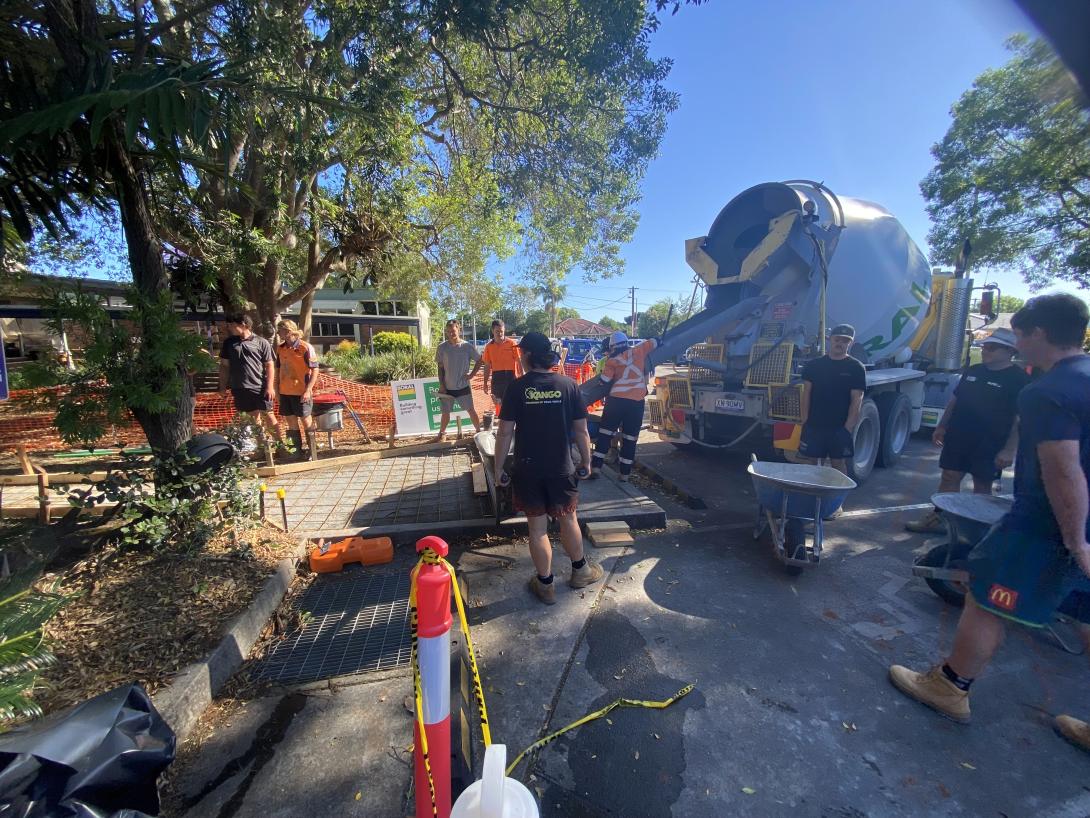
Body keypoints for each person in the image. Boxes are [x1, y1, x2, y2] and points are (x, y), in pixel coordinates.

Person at [888, 294, 1090, 753]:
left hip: (1046, 528)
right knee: (1085, 616)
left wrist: (1076, 541)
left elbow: (1062, 471)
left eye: (1019, 334)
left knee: (984, 601)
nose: (1016, 344)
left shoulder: (1046, 390)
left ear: (1039, 333)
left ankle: (950, 688)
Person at [494, 332, 602, 604]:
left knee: (537, 529)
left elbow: (504, 433)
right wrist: (586, 461)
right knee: (568, 519)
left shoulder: (517, 388)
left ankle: (545, 585)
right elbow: (581, 431)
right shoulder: (568, 385)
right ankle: (581, 571)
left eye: (521, 352)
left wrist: (498, 469)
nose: (519, 356)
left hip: (528, 469)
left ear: (527, 355)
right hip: (561, 467)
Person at [906, 327, 1029, 533]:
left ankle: (977, 529)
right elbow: (955, 400)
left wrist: (1009, 450)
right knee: (949, 477)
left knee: (982, 485)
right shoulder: (974, 371)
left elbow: (1019, 419)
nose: (985, 350)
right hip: (959, 436)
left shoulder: (1019, 380)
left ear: (1009, 351)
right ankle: (940, 520)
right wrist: (942, 425)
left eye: (992, 348)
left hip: (990, 442)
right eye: (985, 346)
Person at [797, 324, 866, 474]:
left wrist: (847, 428)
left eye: (845, 341)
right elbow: (806, 394)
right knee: (810, 462)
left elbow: (857, 399)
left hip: (839, 427)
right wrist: (805, 422)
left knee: (838, 464)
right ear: (830, 340)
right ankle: (811, 494)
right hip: (814, 425)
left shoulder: (856, 368)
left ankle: (838, 496)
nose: (840, 343)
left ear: (851, 343)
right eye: (837, 339)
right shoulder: (814, 366)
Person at [590, 331, 658, 481]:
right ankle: (624, 475)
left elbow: (605, 380)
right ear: (626, 342)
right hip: (636, 402)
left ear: (612, 347)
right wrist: (657, 338)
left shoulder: (611, 360)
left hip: (616, 401)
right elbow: (654, 341)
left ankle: (596, 468)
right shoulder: (639, 350)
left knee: (605, 434)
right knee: (630, 438)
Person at [218, 313, 282, 447]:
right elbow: (224, 366)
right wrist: (222, 386)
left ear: (244, 325)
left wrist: (270, 387)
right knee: (253, 419)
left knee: (268, 415)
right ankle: (262, 448)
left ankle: (280, 445)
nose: (230, 327)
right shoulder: (229, 343)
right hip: (239, 387)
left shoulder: (261, 342)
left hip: (260, 386)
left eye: (232, 325)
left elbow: (270, 365)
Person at [275, 319, 319, 460]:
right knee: (291, 421)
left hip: (301, 391)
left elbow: (315, 370)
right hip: (285, 391)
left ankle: (313, 450)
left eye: (280, 330)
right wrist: (277, 391)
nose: (278, 333)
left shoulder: (305, 347)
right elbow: (278, 369)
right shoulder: (280, 349)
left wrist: (308, 390)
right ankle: (295, 452)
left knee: (306, 420)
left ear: (288, 331)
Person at [434, 319, 483, 441]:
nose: (451, 333)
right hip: (447, 388)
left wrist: (471, 375)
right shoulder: (442, 348)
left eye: (454, 331)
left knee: (471, 410)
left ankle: (479, 432)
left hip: (463, 387)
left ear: (459, 330)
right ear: (446, 332)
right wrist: (442, 385)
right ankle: (442, 434)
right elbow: (440, 368)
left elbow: (480, 360)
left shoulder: (467, 347)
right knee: (445, 413)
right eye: (449, 331)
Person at [481, 319, 522, 414]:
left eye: (501, 331)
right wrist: (484, 383)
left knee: (512, 403)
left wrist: (523, 377)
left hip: (511, 378)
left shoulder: (512, 343)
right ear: (492, 331)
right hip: (497, 379)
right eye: (497, 331)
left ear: (504, 330)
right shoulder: (488, 347)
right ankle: (501, 424)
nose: (500, 334)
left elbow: (519, 361)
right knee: (498, 403)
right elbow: (487, 366)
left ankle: (514, 425)